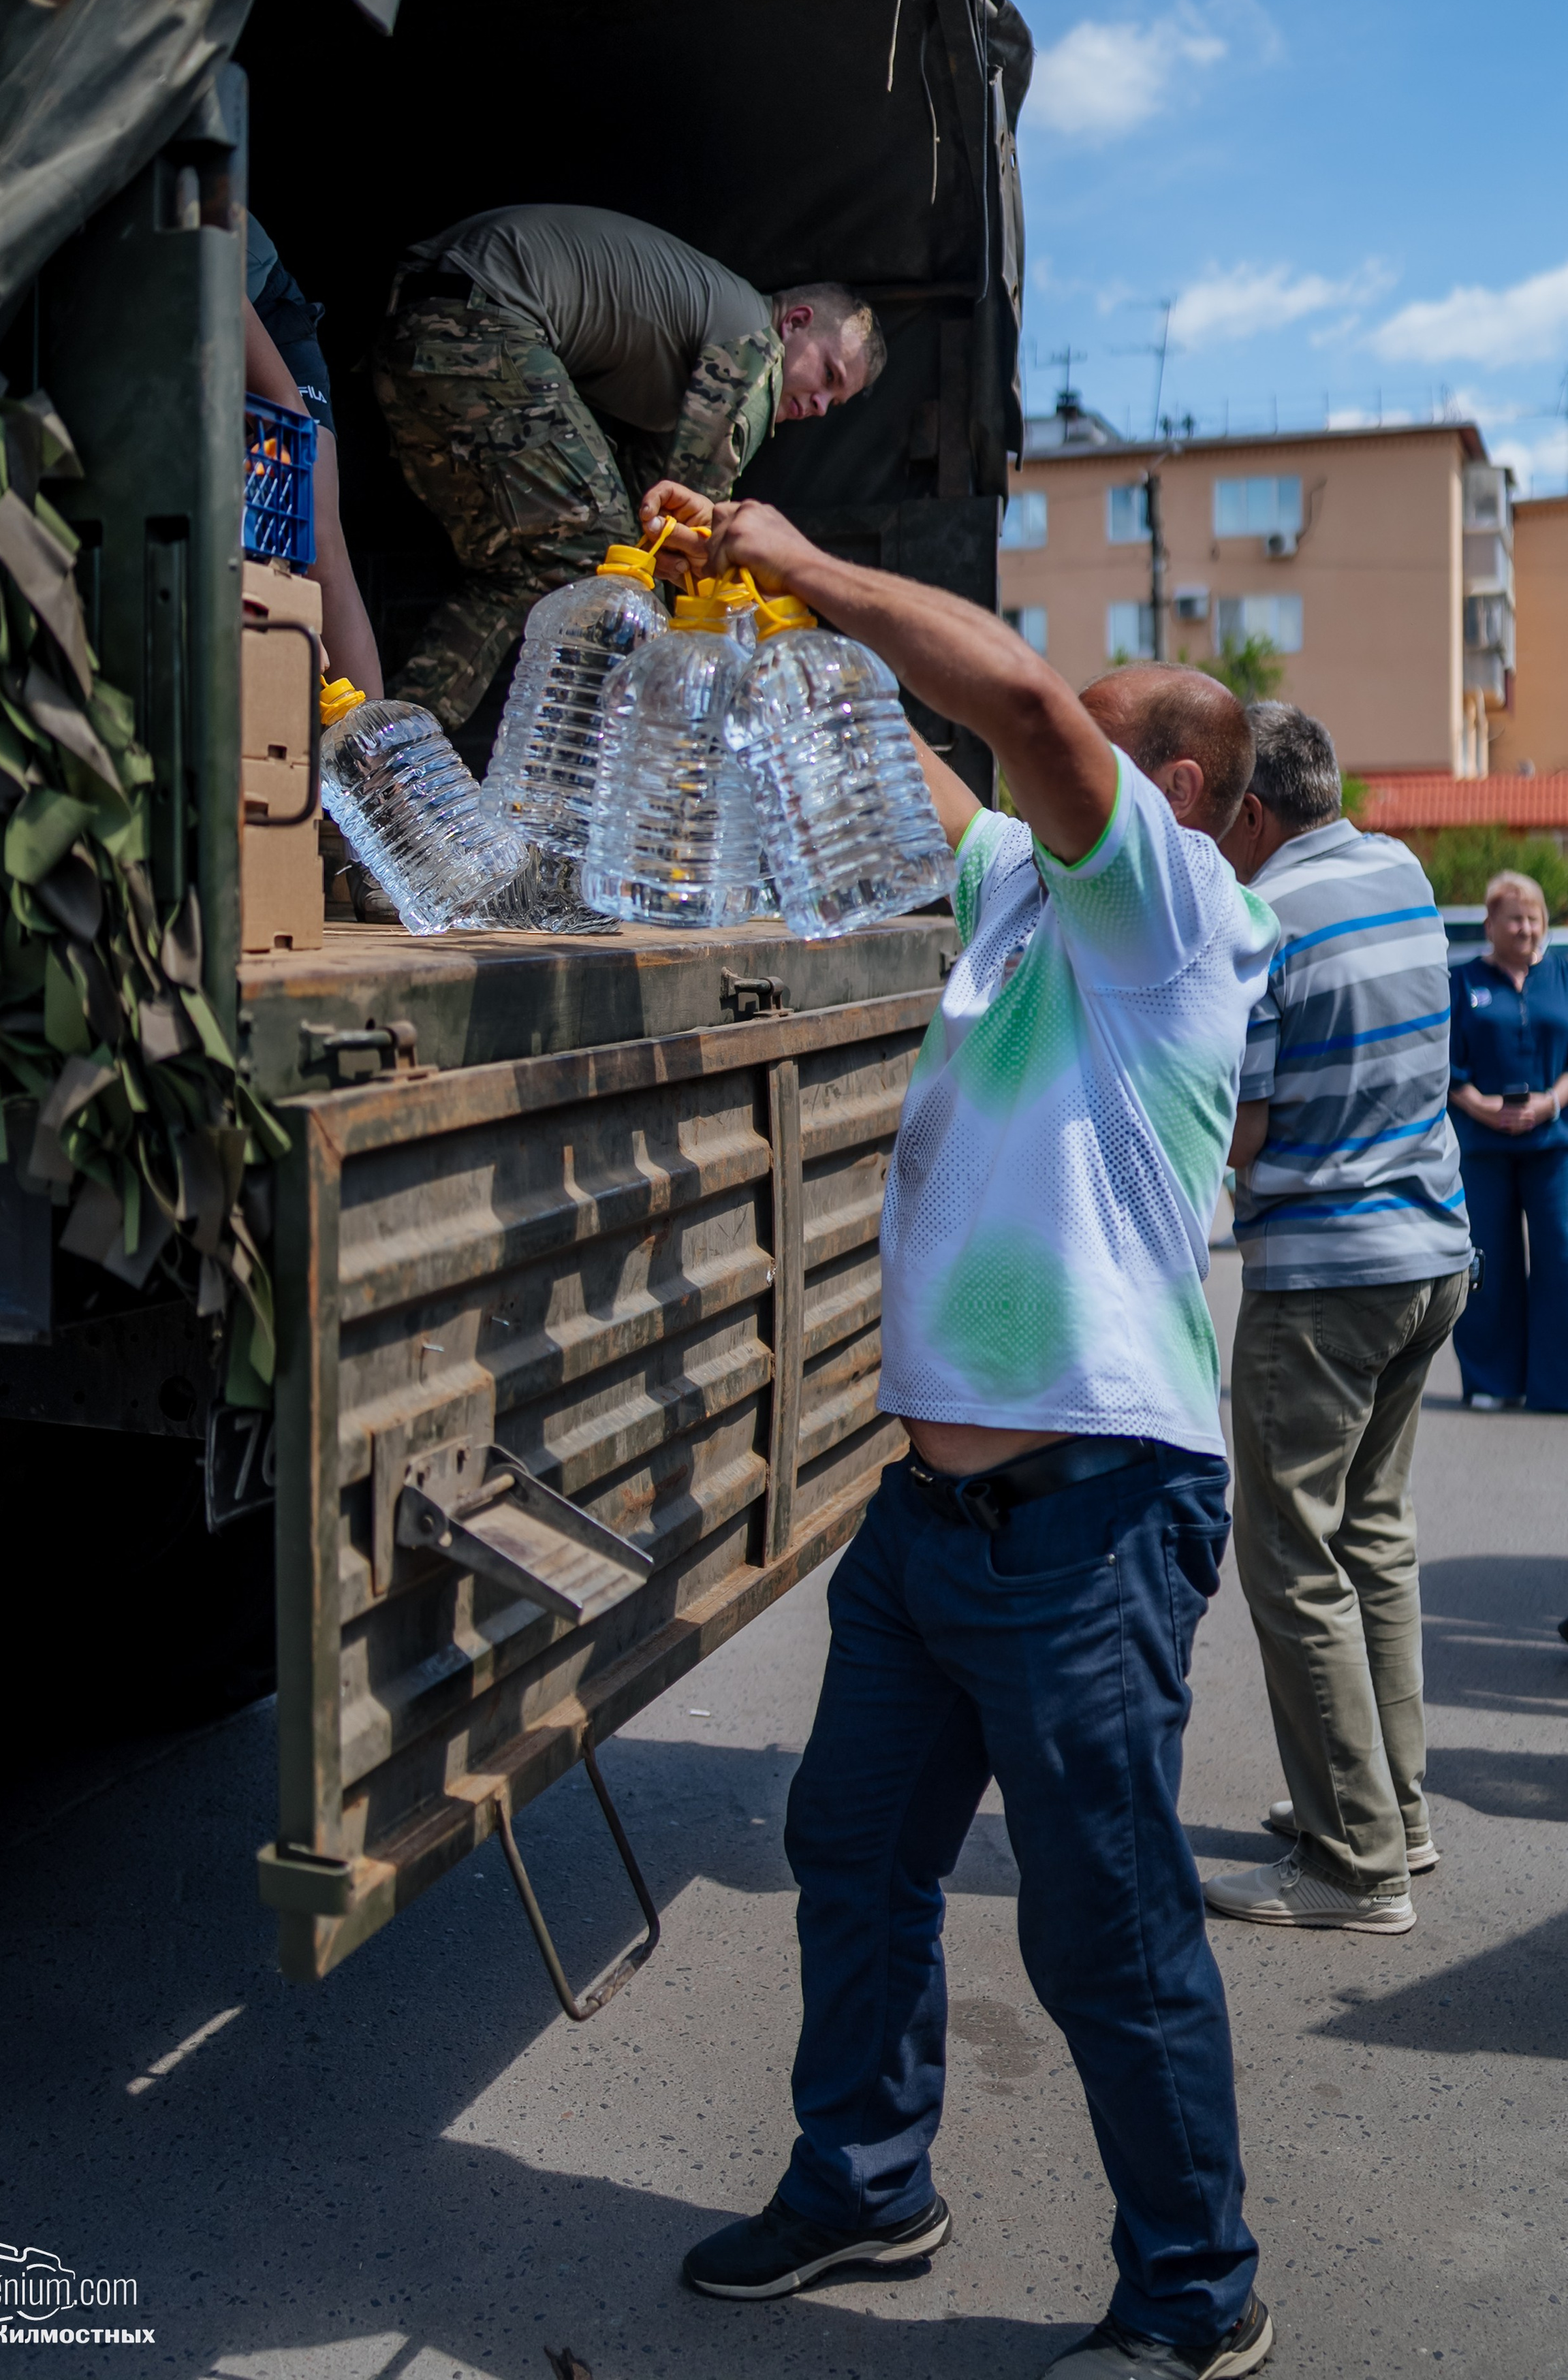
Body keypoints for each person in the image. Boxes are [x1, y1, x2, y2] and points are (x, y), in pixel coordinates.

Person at [672, 492, 1281, 2380]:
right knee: (849, 1848)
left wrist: (812, 561)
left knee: (1105, 1928)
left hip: (1092, 1517)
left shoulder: (1176, 920)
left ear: (1169, 782)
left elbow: (1016, 701)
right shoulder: (1022, 897)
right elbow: (937, 756)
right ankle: (867, 2184)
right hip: (936, 1523)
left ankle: (1198, 2294)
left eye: (1091, 742)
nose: (1042, 767)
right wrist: (773, 629)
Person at [1204, 704, 1471, 1940]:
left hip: (1324, 1280)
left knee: (1292, 1559)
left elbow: (1245, 1131)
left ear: (1253, 813)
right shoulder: (1401, 869)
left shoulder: (1263, 922)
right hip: (1430, 1258)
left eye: (1215, 819)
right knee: (1372, 1543)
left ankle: (1350, 1865)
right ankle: (1393, 1816)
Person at [369, 204, 884, 755]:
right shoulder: (755, 347)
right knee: (613, 571)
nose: (820, 406)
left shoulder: (701, 344)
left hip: (416, 330)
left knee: (514, 574)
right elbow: (694, 539)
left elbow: (655, 517)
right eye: (828, 374)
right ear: (797, 322)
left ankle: (381, 756)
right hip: (482, 325)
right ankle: (602, 790)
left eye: (836, 401)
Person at [244, 212, 385, 701]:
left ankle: (375, 762)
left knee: (317, 532)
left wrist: (295, 603)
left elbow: (289, 414)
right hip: (160, 343)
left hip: (256, 313)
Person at [1447, 868, 1568, 1412]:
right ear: (1491, 923)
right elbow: (1443, 1061)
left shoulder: (1562, 974)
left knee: (1562, 1258)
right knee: (1487, 1264)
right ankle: (1493, 1381)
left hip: (1554, 1144)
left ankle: (1556, 1384)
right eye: (1515, 918)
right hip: (1484, 1146)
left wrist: (1551, 1102)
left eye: (1535, 917)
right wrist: (1478, 1105)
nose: (1526, 928)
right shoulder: (1463, 981)